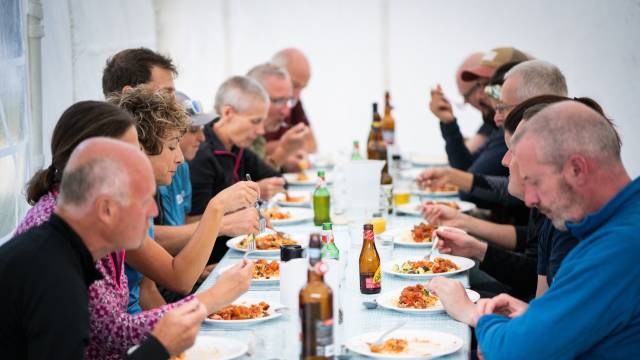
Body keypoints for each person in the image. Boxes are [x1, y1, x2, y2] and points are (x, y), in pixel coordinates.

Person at [13, 101, 253, 359]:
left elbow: (128, 309)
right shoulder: (56, 251)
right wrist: (209, 300)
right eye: (133, 151)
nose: (153, 211)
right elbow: (112, 333)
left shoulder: (85, 221)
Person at [429, 101, 640, 358]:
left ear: (576, 169)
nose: (529, 200)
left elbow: (518, 352)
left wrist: (477, 317)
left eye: (534, 181)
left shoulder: (617, 248)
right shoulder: (615, 223)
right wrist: (535, 317)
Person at [0, 137, 195, 359]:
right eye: (143, 201)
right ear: (106, 208)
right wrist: (159, 346)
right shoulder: (56, 274)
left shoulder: (65, 246)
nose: (154, 212)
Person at [188, 76, 284, 263]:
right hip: (213, 260)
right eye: (255, 121)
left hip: (238, 249)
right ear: (228, 113)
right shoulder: (201, 153)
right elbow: (192, 222)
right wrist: (246, 202)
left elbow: (277, 178)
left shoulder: (237, 146)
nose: (261, 131)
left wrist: (259, 188)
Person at [429, 47, 529, 176]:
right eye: (479, 85)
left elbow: (472, 178)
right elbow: (465, 168)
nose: (479, 96)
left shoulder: (518, 126)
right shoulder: (496, 125)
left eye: (489, 86)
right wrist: (448, 122)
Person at [247, 62, 311, 171]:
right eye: (279, 101)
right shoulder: (232, 135)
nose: (286, 112)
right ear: (252, 98)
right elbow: (252, 181)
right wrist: (283, 151)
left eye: (289, 101)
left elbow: (257, 175)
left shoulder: (258, 138)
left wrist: (284, 159)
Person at [268, 47, 317, 153]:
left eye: (302, 88)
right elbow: (248, 153)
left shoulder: (294, 100)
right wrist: (285, 148)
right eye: (294, 85)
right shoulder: (252, 101)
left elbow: (311, 144)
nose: (297, 96)